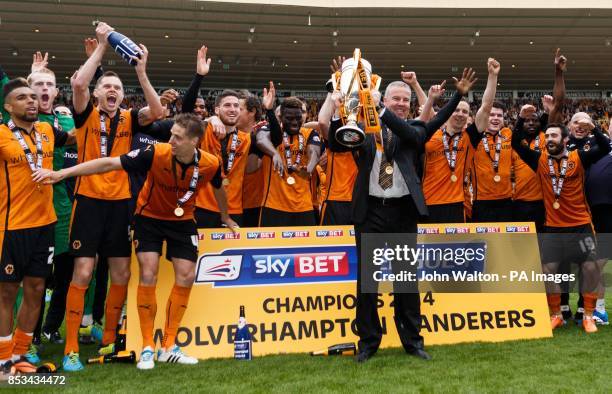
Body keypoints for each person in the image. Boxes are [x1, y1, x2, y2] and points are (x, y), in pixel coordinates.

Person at [33, 113, 237, 369]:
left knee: (186, 275)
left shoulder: (210, 163)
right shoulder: (154, 152)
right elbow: (108, 163)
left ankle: (169, 345)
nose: (171, 139)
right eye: (171, 134)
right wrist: (63, 173)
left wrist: (226, 217)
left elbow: (219, 187)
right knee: (148, 272)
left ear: (195, 141)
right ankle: (149, 346)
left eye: (178, 137)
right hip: (148, 218)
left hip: (182, 221)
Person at [328, 68, 476, 362]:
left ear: (409, 106)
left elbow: (434, 121)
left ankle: (413, 341)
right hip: (370, 212)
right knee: (367, 283)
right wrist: (337, 108)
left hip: (403, 212)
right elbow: (334, 143)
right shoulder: (362, 129)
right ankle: (369, 342)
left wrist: (458, 95)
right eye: (394, 98)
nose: (399, 103)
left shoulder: (413, 132)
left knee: (406, 281)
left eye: (404, 100)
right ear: (385, 97)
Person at [61, 21, 164, 371]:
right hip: (88, 201)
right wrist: (103, 46)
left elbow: (159, 112)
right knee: (84, 272)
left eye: (117, 88)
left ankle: (108, 341)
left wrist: (142, 71)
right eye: (106, 85)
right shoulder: (84, 114)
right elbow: (77, 82)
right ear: (96, 92)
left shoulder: (130, 117)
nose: (112, 90)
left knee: (120, 273)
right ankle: (71, 347)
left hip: (121, 203)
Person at [511, 105, 611, 333]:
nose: (549, 139)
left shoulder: (580, 158)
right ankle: (556, 315)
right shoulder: (539, 160)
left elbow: (605, 147)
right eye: (547, 136)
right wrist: (520, 118)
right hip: (554, 228)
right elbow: (517, 143)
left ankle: (588, 316)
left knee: (590, 269)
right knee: (548, 270)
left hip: (581, 226)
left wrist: (594, 128)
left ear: (565, 139)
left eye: (554, 135)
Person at [0, 78, 73, 376]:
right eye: (22, 97)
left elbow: (75, 137)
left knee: (36, 288)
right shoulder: (1, 134)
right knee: (6, 292)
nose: (31, 101)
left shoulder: (46, 130)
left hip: (45, 224)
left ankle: (20, 355)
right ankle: (3, 359)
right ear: (8, 106)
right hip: (11, 226)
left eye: (33, 96)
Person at [512, 49, 566, 232]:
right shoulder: (519, 143)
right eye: (527, 121)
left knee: (545, 248)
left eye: (535, 120)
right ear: (521, 122)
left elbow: (557, 108)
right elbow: (514, 140)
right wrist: (520, 118)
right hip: (520, 202)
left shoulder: (546, 137)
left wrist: (558, 73)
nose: (532, 123)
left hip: (545, 201)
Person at [257, 97, 322, 226]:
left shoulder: (309, 133)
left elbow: (314, 152)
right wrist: (274, 153)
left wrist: (309, 169)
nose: (295, 122)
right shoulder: (271, 131)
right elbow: (261, 139)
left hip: (304, 207)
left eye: (298, 118)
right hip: (273, 206)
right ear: (280, 118)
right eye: (290, 118)